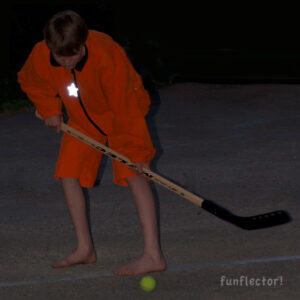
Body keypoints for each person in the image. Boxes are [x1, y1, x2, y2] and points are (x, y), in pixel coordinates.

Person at [17, 10, 166, 276]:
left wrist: (137, 151)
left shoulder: (107, 54)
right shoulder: (42, 53)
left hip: (119, 115)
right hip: (82, 120)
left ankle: (152, 254)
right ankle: (85, 249)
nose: (66, 63)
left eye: (72, 55)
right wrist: (50, 108)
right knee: (67, 174)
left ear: (83, 42)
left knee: (135, 173)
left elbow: (127, 108)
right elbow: (31, 80)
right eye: (59, 57)